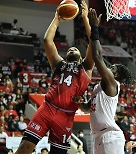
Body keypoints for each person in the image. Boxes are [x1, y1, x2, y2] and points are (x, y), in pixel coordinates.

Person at [15, 1, 94, 154]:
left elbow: (93, 43)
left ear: (80, 56)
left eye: (75, 48)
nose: (72, 48)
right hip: (47, 108)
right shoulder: (58, 64)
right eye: (70, 49)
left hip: (66, 115)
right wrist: (57, 18)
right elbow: (47, 41)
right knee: (25, 147)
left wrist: (85, 18)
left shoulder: (86, 67)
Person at [79, 9, 135, 154]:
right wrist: (79, 102)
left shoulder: (112, 83)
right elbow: (87, 109)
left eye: (112, 68)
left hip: (110, 135)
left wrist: (94, 27)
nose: (109, 68)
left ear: (116, 75)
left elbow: (97, 56)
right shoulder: (100, 87)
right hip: (99, 136)